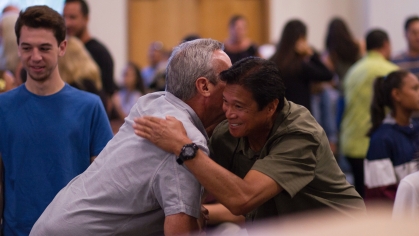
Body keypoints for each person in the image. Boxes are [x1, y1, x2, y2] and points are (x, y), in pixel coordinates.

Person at [30, 39, 232, 236]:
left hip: (52, 222)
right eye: (228, 78)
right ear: (204, 86)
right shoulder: (184, 140)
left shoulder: (152, 103)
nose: (234, 84)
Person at [134, 57, 366, 225]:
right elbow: (205, 187)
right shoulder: (228, 133)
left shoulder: (300, 134)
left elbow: (243, 199)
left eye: (239, 106)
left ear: (271, 107)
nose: (228, 113)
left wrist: (183, 146)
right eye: (226, 102)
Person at [0, 6, 113, 236]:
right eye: (26, 48)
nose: (35, 57)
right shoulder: (3, 107)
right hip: (17, 230)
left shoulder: (89, 107)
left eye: (44, 48)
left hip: (74, 231)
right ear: (18, 48)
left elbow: (105, 183)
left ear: (62, 47)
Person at [340, 29, 398, 198]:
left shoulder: (353, 70)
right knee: (379, 199)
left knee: (359, 194)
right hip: (376, 142)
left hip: (350, 141)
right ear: (386, 45)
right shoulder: (391, 71)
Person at [364, 70, 419, 202]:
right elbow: (381, 196)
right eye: (415, 88)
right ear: (397, 95)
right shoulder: (381, 139)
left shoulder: (415, 128)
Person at [270, 19, 333, 112]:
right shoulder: (301, 66)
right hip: (300, 117)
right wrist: (312, 54)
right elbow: (328, 75)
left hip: (278, 115)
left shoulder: (272, 62)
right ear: (301, 39)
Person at [63, 0, 117, 97]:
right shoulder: (62, 52)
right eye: (64, 17)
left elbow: (108, 98)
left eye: (72, 17)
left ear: (86, 19)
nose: (67, 23)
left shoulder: (100, 54)